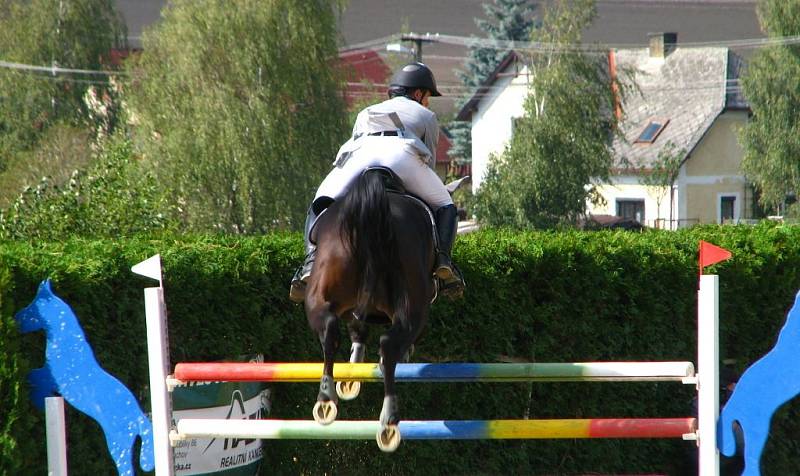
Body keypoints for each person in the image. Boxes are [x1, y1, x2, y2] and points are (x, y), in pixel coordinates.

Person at [289, 62, 465, 303]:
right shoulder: (426, 116)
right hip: (402, 155)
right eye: (427, 97)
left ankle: (310, 262)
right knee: (447, 206)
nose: (427, 102)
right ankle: (444, 263)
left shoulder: (366, 112)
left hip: (360, 156)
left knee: (320, 202)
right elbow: (429, 162)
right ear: (418, 93)